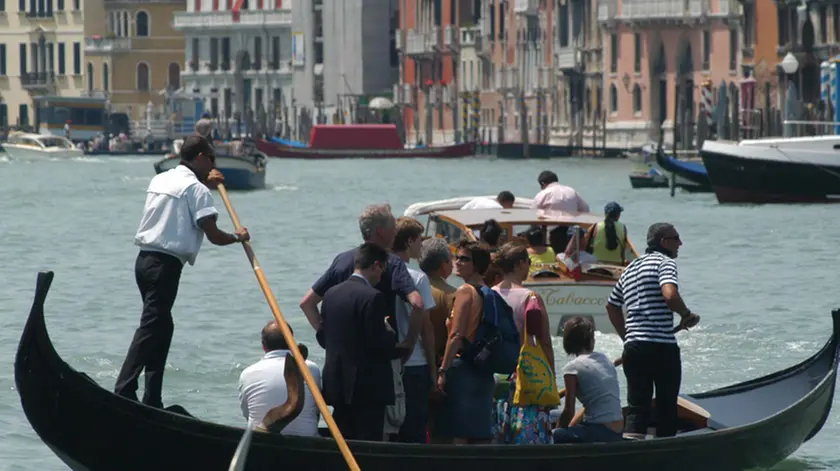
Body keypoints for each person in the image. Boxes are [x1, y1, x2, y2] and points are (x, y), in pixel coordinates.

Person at [114, 135, 250, 408]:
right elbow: (213, 235)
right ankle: (124, 390)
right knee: (152, 326)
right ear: (200, 157)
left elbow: (184, 195)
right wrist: (239, 237)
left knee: (162, 327)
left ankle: (153, 398)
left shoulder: (162, 178)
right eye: (211, 158)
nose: (213, 164)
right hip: (165, 267)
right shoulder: (197, 191)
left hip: (143, 262)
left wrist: (205, 185)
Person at [606, 222, 701, 438]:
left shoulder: (630, 268)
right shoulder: (665, 263)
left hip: (634, 348)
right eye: (676, 238)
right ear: (663, 242)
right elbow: (670, 295)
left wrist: (627, 337)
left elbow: (611, 305)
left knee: (637, 409)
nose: (680, 243)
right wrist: (686, 315)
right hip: (661, 347)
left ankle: (633, 457)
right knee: (666, 408)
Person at [299, 204, 425, 355]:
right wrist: (409, 343)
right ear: (381, 232)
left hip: (342, 356)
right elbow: (417, 303)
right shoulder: (392, 262)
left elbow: (307, 303)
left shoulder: (342, 260)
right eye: (393, 227)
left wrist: (327, 335)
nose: (396, 232)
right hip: (379, 357)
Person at [320, 242, 404, 441]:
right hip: (367, 387)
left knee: (342, 440)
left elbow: (323, 336)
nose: (381, 275)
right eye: (382, 269)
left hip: (338, 383)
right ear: (375, 265)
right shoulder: (373, 297)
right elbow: (379, 342)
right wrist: (389, 332)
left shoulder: (331, 294)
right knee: (367, 443)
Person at [491, 242, 557, 444]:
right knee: (525, 435)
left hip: (494, 373)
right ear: (520, 264)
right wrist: (550, 376)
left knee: (498, 431)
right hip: (522, 375)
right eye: (528, 262)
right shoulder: (531, 297)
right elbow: (544, 341)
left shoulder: (489, 294)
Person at [433, 240, 495, 444]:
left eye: (463, 259)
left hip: (462, 369)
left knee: (457, 433)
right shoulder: (488, 291)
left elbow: (456, 335)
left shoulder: (465, 291)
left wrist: (443, 370)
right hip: (484, 369)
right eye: (456, 257)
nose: (457, 262)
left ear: (476, 264)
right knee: (480, 434)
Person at [391, 217, 437, 443]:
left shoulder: (380, 272)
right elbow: (426, 329)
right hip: (414, 363)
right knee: (414, 427)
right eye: (420, 240)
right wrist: (433, 370)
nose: (422, 245)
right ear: (409, 241)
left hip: (387, 362)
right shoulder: (417, 278)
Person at [239, 321, 322, 436]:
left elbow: (248, 416)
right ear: (292, 342)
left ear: (263, 346)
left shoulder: (247, 374)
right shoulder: (311, 369)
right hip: (306, 441)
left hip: (260, 443)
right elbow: (317, 412)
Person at [552, 316, 624, 443]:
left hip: (599, 431)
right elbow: (585, 407)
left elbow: (569, 411)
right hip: (617, 430)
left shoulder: (572, 368)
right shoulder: (604, 359)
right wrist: (570, 427)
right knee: (554, 415)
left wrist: (555, 435)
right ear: (591, 340)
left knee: (552, 432)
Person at [418, 237, 457, 362]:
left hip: (415, 358)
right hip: (440, 359)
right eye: (451, 258)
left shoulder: (412, 288)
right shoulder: (451, 294)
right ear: (443, 265)